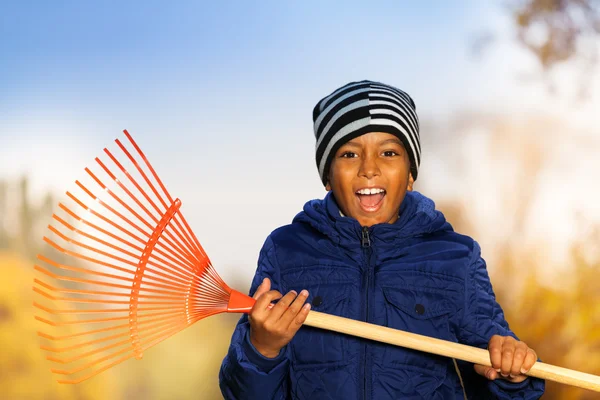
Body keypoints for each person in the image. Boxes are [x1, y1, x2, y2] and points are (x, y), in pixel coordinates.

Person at [218, 80, 546, 399]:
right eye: (349, 154)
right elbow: (240, 392)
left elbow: (496, 379)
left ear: (411, 174)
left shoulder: (456, 258)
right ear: (328, 176)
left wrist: (511, 376)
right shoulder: (286, 250)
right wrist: (261, 348)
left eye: (388, 152)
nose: (369, 169)